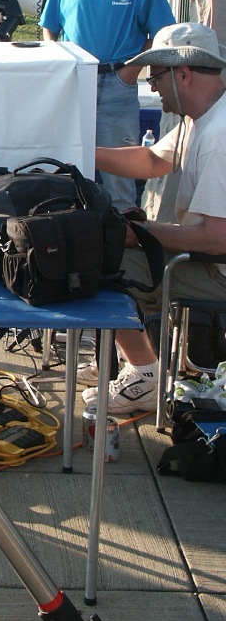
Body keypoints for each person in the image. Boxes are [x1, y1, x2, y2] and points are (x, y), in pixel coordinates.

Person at [79, 22, 226, 413]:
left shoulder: (218, 138)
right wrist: (78, 151)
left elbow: (216, 239)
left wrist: (138, 234)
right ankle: (142, 368)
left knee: (101, 262)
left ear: (183, 74)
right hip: (213, 259)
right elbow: (153, 160)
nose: (152, 85)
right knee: (110, 245)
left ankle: (144, 374)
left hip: (218, 271)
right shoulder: (205, 116)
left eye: (155, 75)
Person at [40, 0, 175, 209]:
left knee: (120, 178)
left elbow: (161, 31)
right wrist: (59, 62)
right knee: (67, 165)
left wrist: (132, 71)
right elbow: (49, 27)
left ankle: (125, 248)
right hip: (73, 82)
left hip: (118, 84)